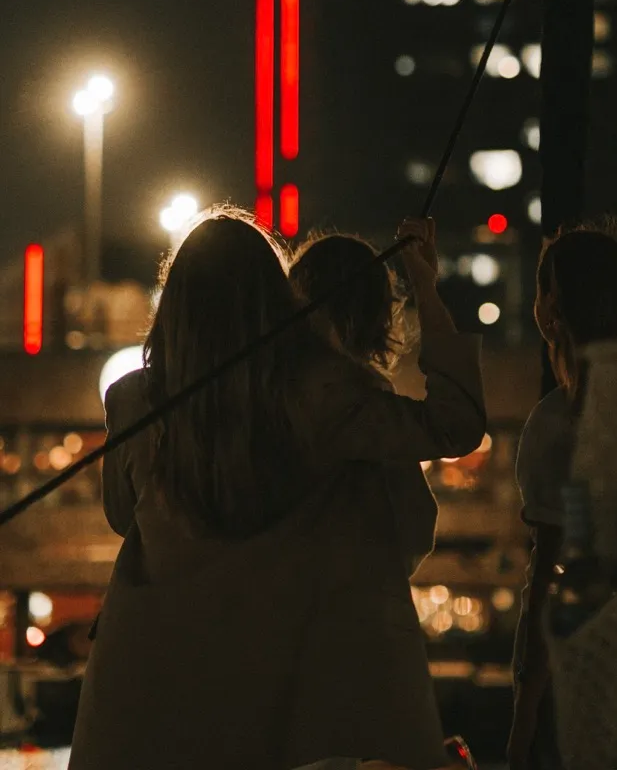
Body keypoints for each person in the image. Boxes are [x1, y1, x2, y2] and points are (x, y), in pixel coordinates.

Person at [70, 206, 486, 770]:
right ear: (275, 294)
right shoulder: (328, 391)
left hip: (152, 683)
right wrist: (424, 284)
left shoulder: (133, 401)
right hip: (284, 679)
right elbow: (455, 424)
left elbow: (123, 517)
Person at [507, 224, 617, 770]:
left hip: (589, 672)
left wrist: (524, 712)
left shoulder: (559, 425)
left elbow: (549, 576)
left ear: (553, 307)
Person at [288, 229, 441, 579]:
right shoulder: (360, 399)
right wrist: (426, 284)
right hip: (353, 603)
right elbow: (415, 523)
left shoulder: (267, 388)